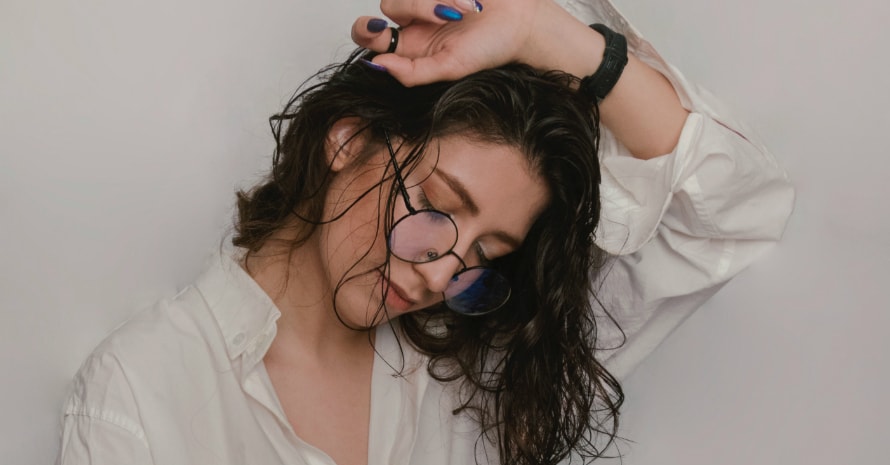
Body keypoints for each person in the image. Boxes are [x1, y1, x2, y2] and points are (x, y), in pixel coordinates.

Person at [55, 0, 794, 464]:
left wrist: (552, 35)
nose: (442, 277)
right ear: (347, 141)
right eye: (439, 207)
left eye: (484, 255)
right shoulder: (140, 395)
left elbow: (730, 214)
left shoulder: (474, 374)